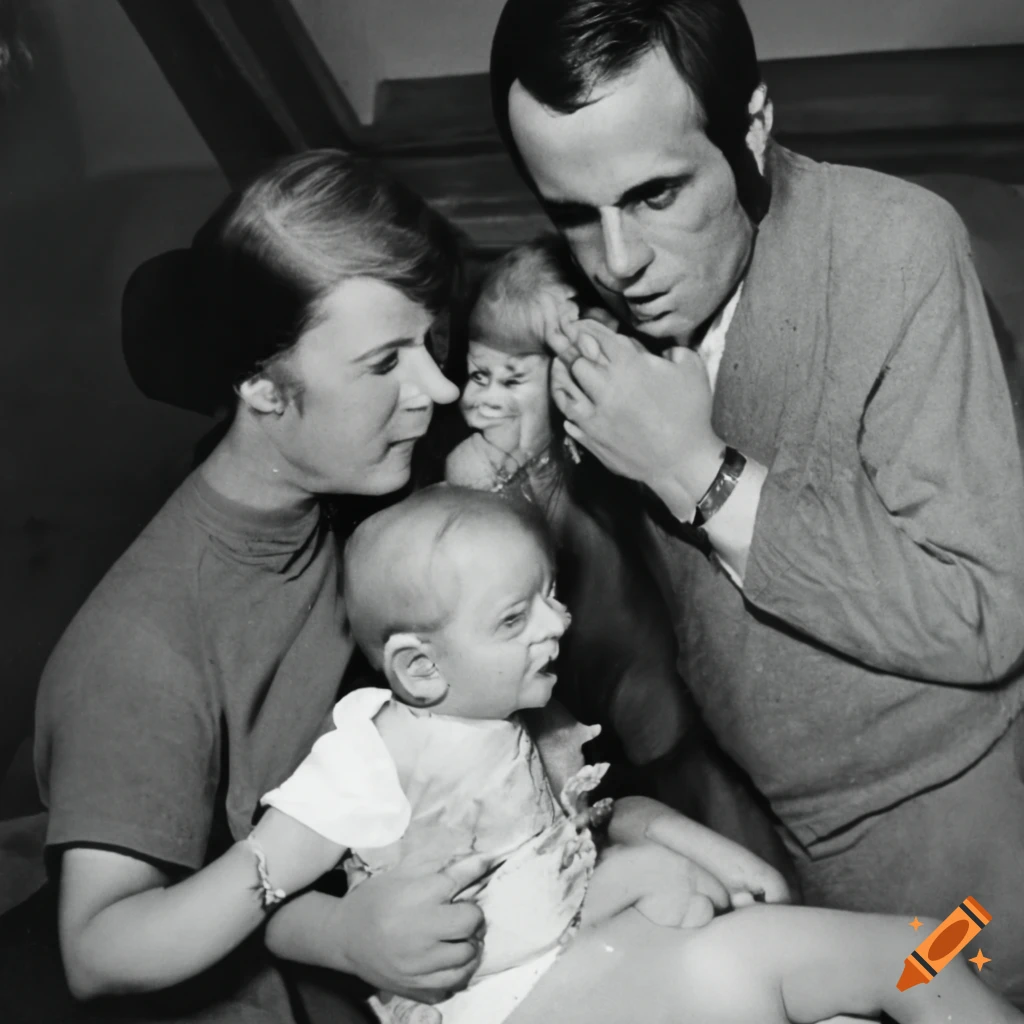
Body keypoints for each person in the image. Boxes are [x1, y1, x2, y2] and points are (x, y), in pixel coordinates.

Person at [489, 0, 1024, 1005]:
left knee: (954, 990)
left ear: (752, 128)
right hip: (740, 846)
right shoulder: (569, 310)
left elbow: (985, 615)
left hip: (965, 861)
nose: (617, 261)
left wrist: (698, 469)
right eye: (571, 212)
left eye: (655, 194)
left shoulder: (897, 253)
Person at [229, 485, 1021, 1024]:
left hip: (604, 955)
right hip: (533, 997)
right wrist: (347, 937)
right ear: (419, 668)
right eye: (515, 618)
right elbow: (266, 907)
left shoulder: (522, 712)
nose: (559, 624)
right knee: (911, 954)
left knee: (922, 951)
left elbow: (580, 831)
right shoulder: (373, 756)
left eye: (550, 594)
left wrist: (671, 845)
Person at [3, 149, 470, 1024]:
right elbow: (97, 952)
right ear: (260, 383)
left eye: (430, 342)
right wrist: (303, 853)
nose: (437, 388)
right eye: (384, 364)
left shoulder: (363, 500)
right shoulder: (139, 647)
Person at [443, 240, 795, 883]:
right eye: (477, 375)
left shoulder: (598, 450)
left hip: (649, 676)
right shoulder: (477, 474)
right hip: (564, 697)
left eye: (512, 380)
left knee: (705, 799)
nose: (482, 402)